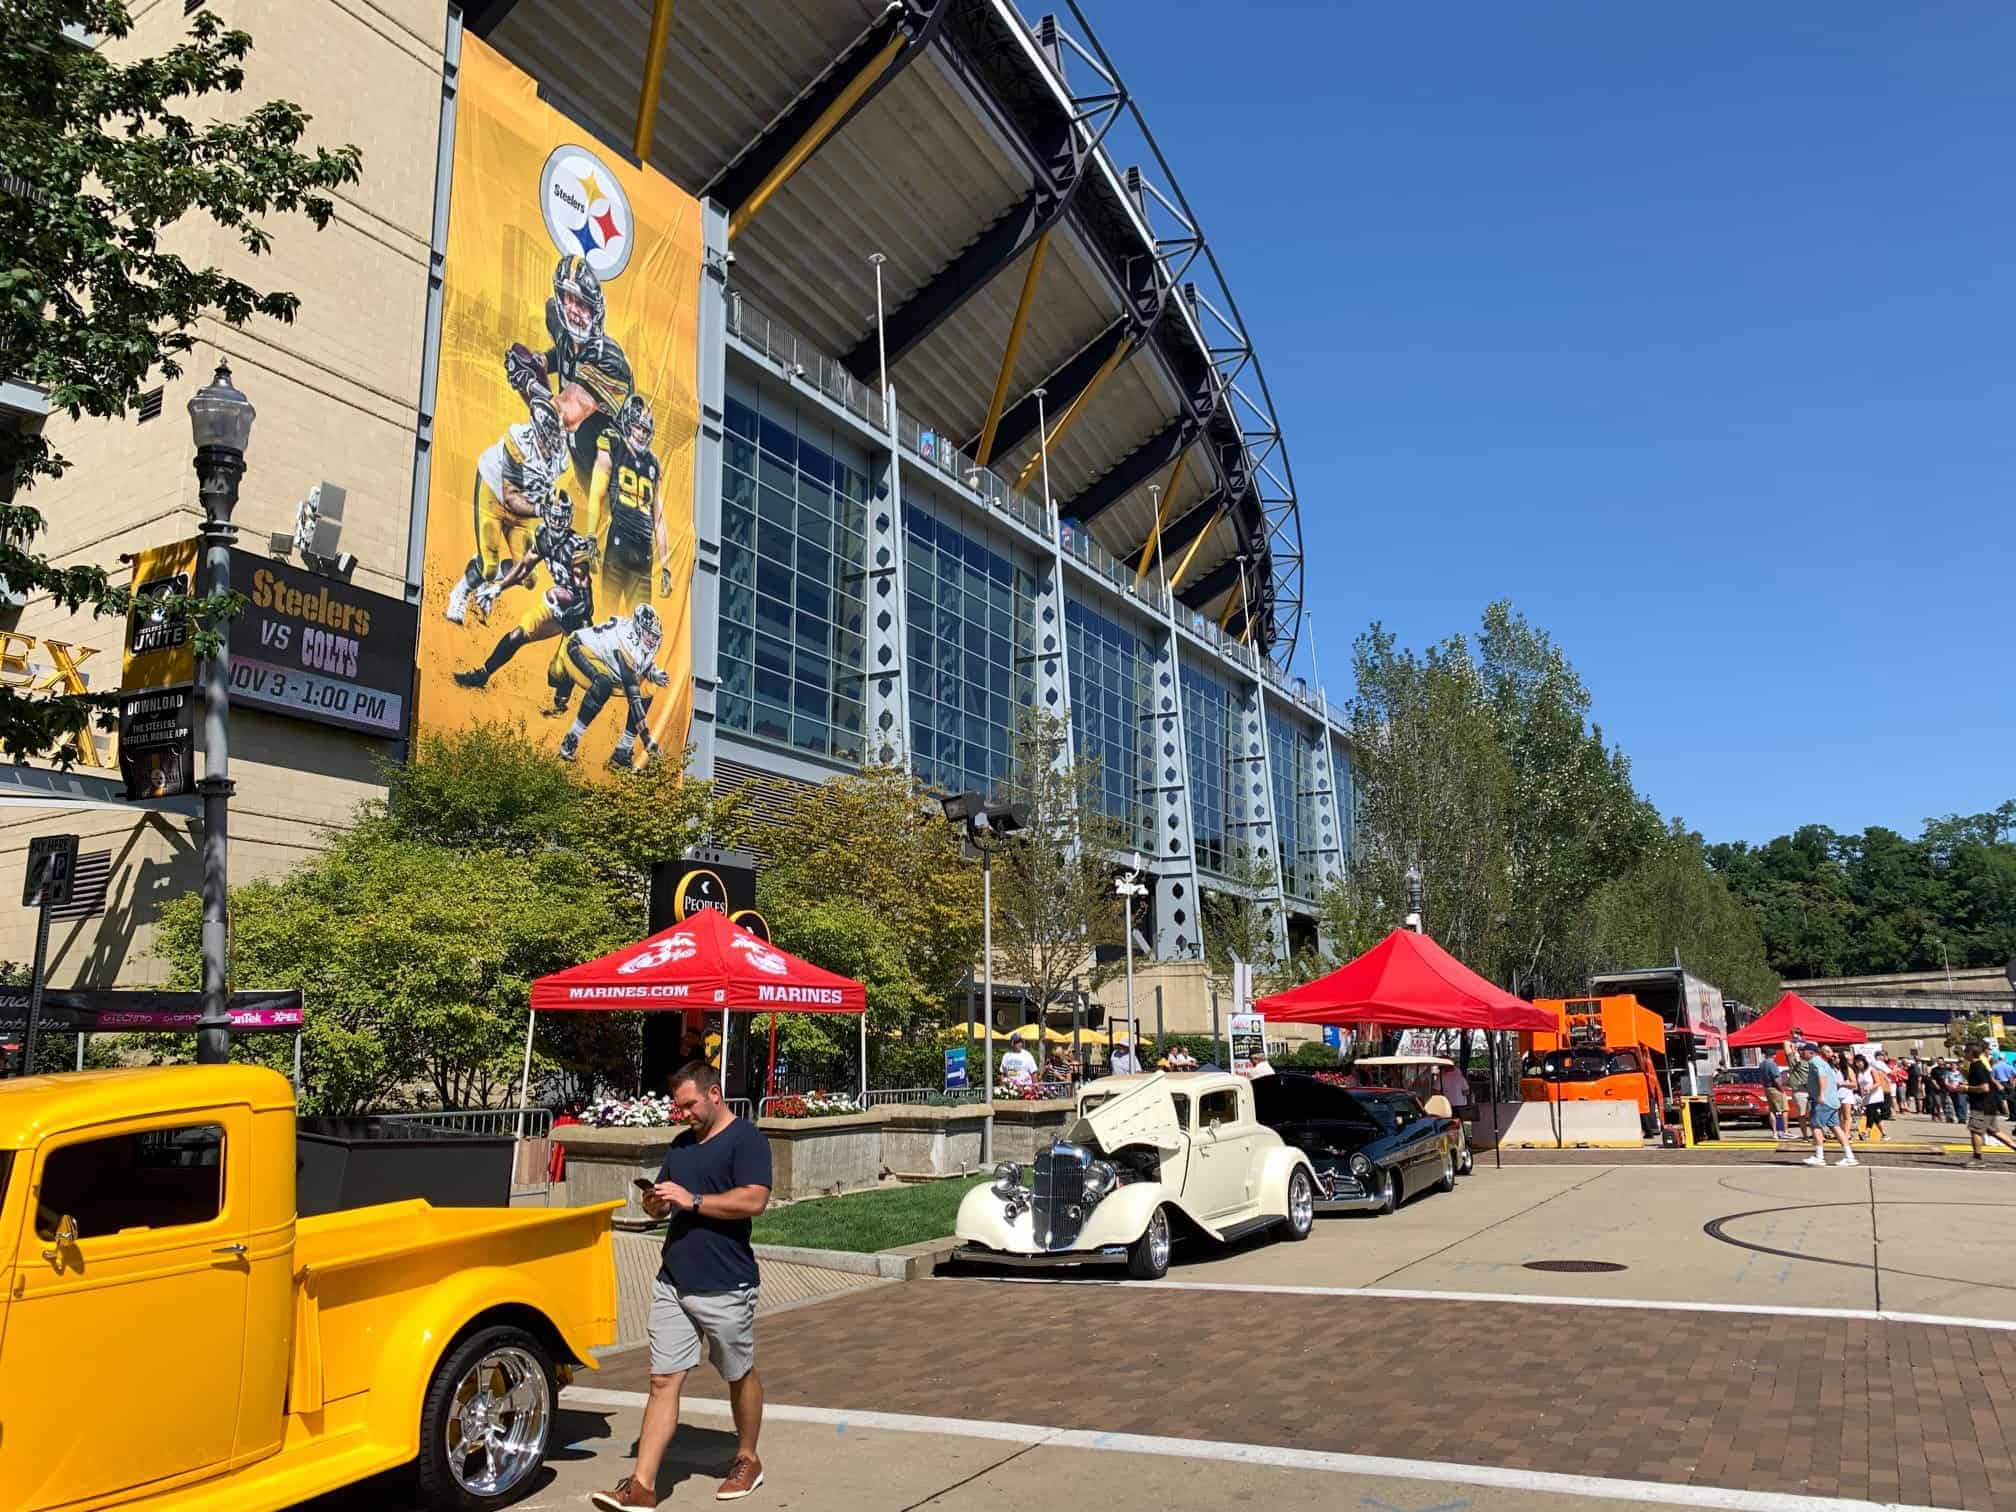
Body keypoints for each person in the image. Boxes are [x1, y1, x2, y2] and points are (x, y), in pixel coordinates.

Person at [595, 1061, 772, 1510]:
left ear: (715, 1094)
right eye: (680, 1107)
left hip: (726, 1283)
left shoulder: (746, 1139)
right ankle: (642, 1486)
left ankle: (747, 1458)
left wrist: (692, 1200)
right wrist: (655, 1203)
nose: (685, 1114)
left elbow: (755, 1199)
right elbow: (663, 1205)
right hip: (673, 1280)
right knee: (662, 1380)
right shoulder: (680, 1146)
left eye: (690, 1105)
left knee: (737, 1373)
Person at [1796, 1040, 1856, 1168]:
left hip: (1823, 1101)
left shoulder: (1815, 1062)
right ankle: (1849, 1156)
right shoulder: (1823, 1063)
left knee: (1815, 1126)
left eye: (1803, 1051)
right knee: (1836, 1127)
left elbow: (1822, 1077)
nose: (1801, 1053)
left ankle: (1819, 1157)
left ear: (1810, 1052)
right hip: (1832, 1101)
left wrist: (1821, 1094)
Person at [1963, 1043, 2016, 1168]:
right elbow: (1988, 1081)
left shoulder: (1977, 1067)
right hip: (1989, 1104)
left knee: (1975, 1131)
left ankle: (1977, 1159)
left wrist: (1967, 1088)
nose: (1964, 1054)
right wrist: (1965, 1074)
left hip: (1981, 1105)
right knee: (1994, 1131)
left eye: (1965, 1052)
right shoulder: (1979, 1066)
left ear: (1970, 1053)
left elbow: (1984, 1087)